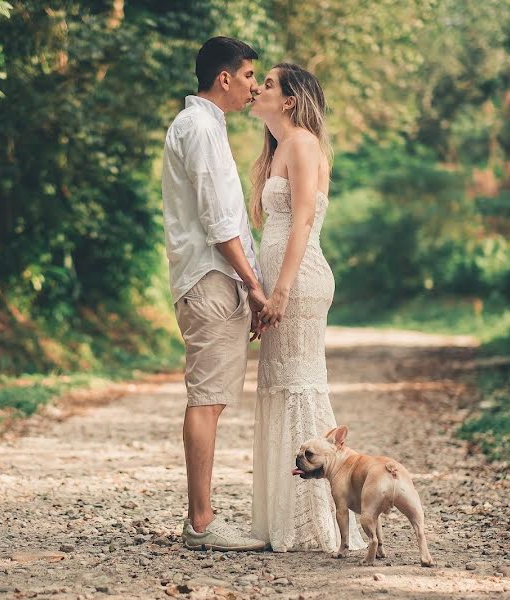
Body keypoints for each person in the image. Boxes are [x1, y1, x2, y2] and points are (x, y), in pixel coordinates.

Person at [248, 63, 367, 553]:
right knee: (279, 386)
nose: (257, 89)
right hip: (281, 283)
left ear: (291, 100)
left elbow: (300, 225)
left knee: (298, 386)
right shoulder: (276, 151)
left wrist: (280, 291)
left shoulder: (302, 144)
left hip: (299, 284)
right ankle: (287, 518)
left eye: (268, 84)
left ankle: (316, 521)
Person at [161, 36, 268, 551]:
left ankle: (202, 518)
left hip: (212, 277)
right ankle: (201, 522)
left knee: (212, 400)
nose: (254, 86)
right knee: (206, 400)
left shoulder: (205, 126)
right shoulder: (200, 127)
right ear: (224, 78)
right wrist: (253, 284)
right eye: (250, 76)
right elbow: (218, 220)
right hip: (210, 279)